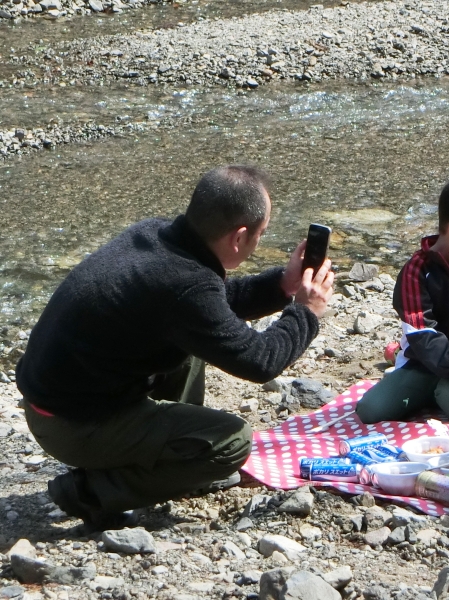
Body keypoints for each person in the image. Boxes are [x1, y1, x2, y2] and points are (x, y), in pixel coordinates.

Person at [16, 165, 334, 530]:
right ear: (239, 237)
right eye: (260, 234)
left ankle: (171, 455)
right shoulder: (184, 285)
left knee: (193, 342)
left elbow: (209, 306)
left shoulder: (155, 234)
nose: (260, 242)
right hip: (69, 425)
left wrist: (281, 285)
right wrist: (306, 312)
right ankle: (91, 492)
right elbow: (261, 361)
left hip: (56, 401)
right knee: (232, 442)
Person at [356, 175, 449, 424]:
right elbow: (422, 333)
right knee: (369, 411)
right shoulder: (417, 271)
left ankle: (436, 392)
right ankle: (415, 377)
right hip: (425, 363)